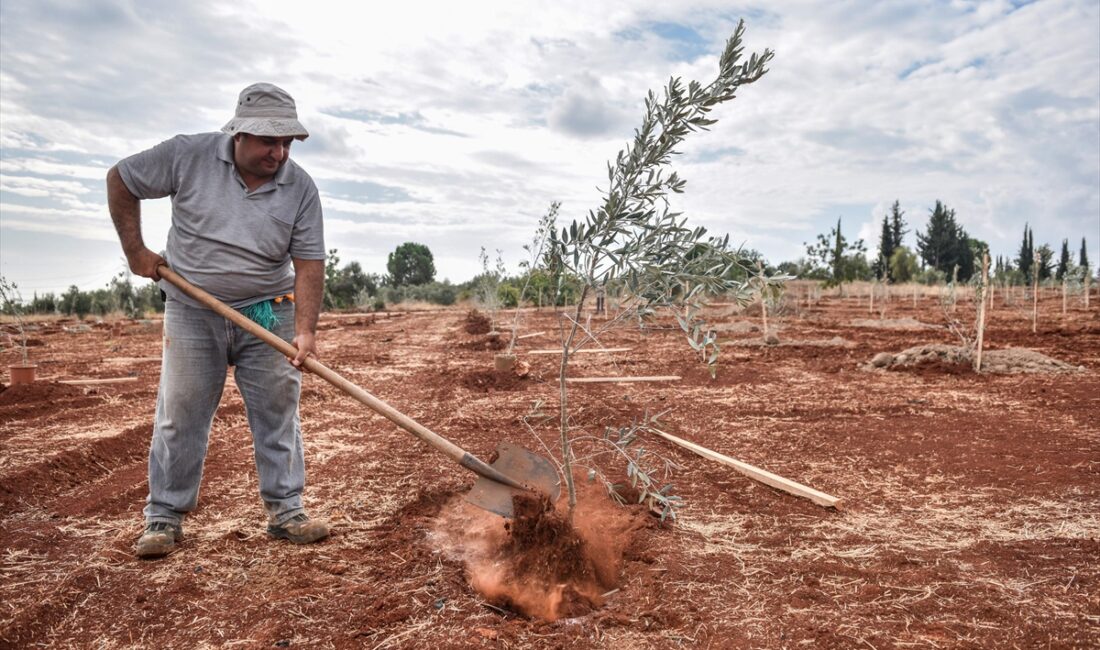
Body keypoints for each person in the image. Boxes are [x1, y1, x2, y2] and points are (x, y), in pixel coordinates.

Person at [106, 83, 330, 558]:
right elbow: (121, 179)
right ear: (239, 134)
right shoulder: (188, 155)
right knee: (181, 412)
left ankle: (286, 510)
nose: (280, 151)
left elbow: (309, 263)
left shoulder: (300, 187)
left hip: (270, 310)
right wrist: (136, 253)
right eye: (270, 141)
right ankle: (163, 517)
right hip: (192, 307)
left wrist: (306, 330)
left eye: (287, 141)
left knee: (277, 411)